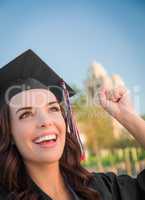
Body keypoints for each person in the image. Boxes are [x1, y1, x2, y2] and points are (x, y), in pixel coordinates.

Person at [0, 50, 145, 200]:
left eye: (53, 108)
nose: (45, 121)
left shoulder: (100, 188)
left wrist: (127, 116)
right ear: (9, 133)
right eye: (26, 114)